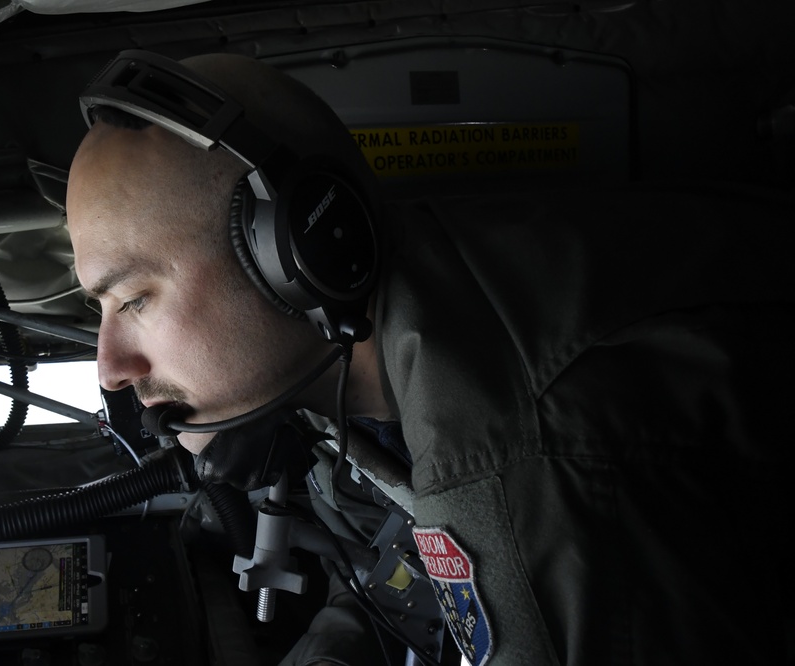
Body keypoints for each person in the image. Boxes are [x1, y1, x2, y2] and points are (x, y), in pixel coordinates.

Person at [65, 50, 795, 666]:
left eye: (132, 300)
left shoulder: (516, 462)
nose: (108, 366)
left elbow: (484, 557)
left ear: (299, 256)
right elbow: (405, 570)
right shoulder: (351, 365)